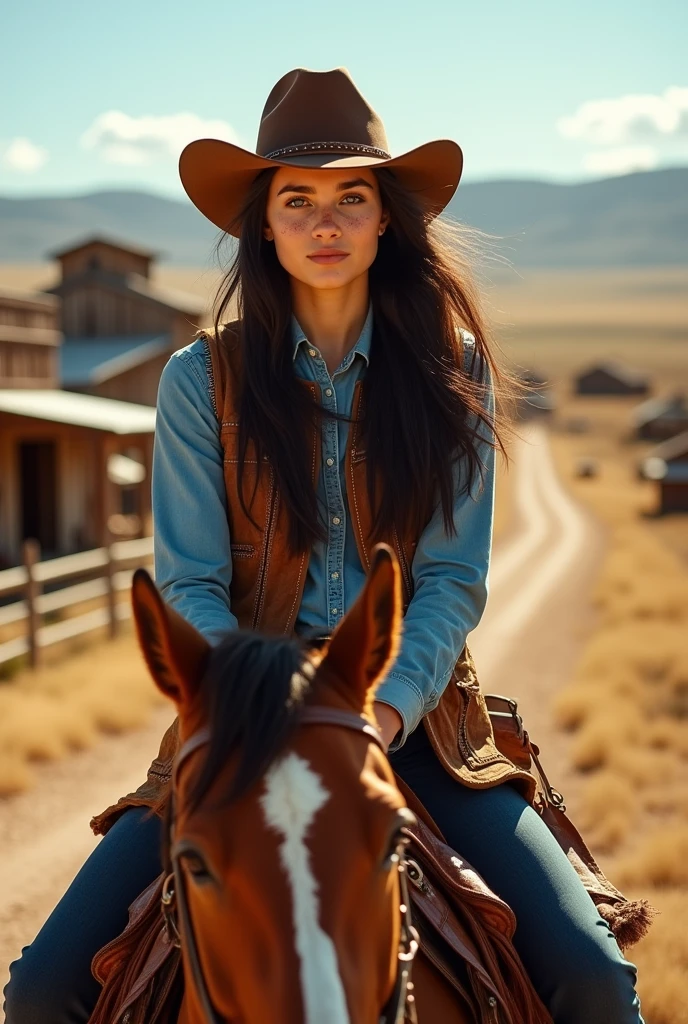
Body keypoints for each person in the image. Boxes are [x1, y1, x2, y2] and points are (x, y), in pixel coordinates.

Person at [4, 66, 644, 1024]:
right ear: (264, 222)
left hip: (415, 730)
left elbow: (451, 581)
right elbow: (190, 581)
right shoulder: (199, 383)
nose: (326, 222)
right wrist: (255, 713)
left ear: (387, 218)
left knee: (593, 979)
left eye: (353, 196)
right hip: (241, 726)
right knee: (42, 990)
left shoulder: (451, 370)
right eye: (297, 200)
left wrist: (374, 715)